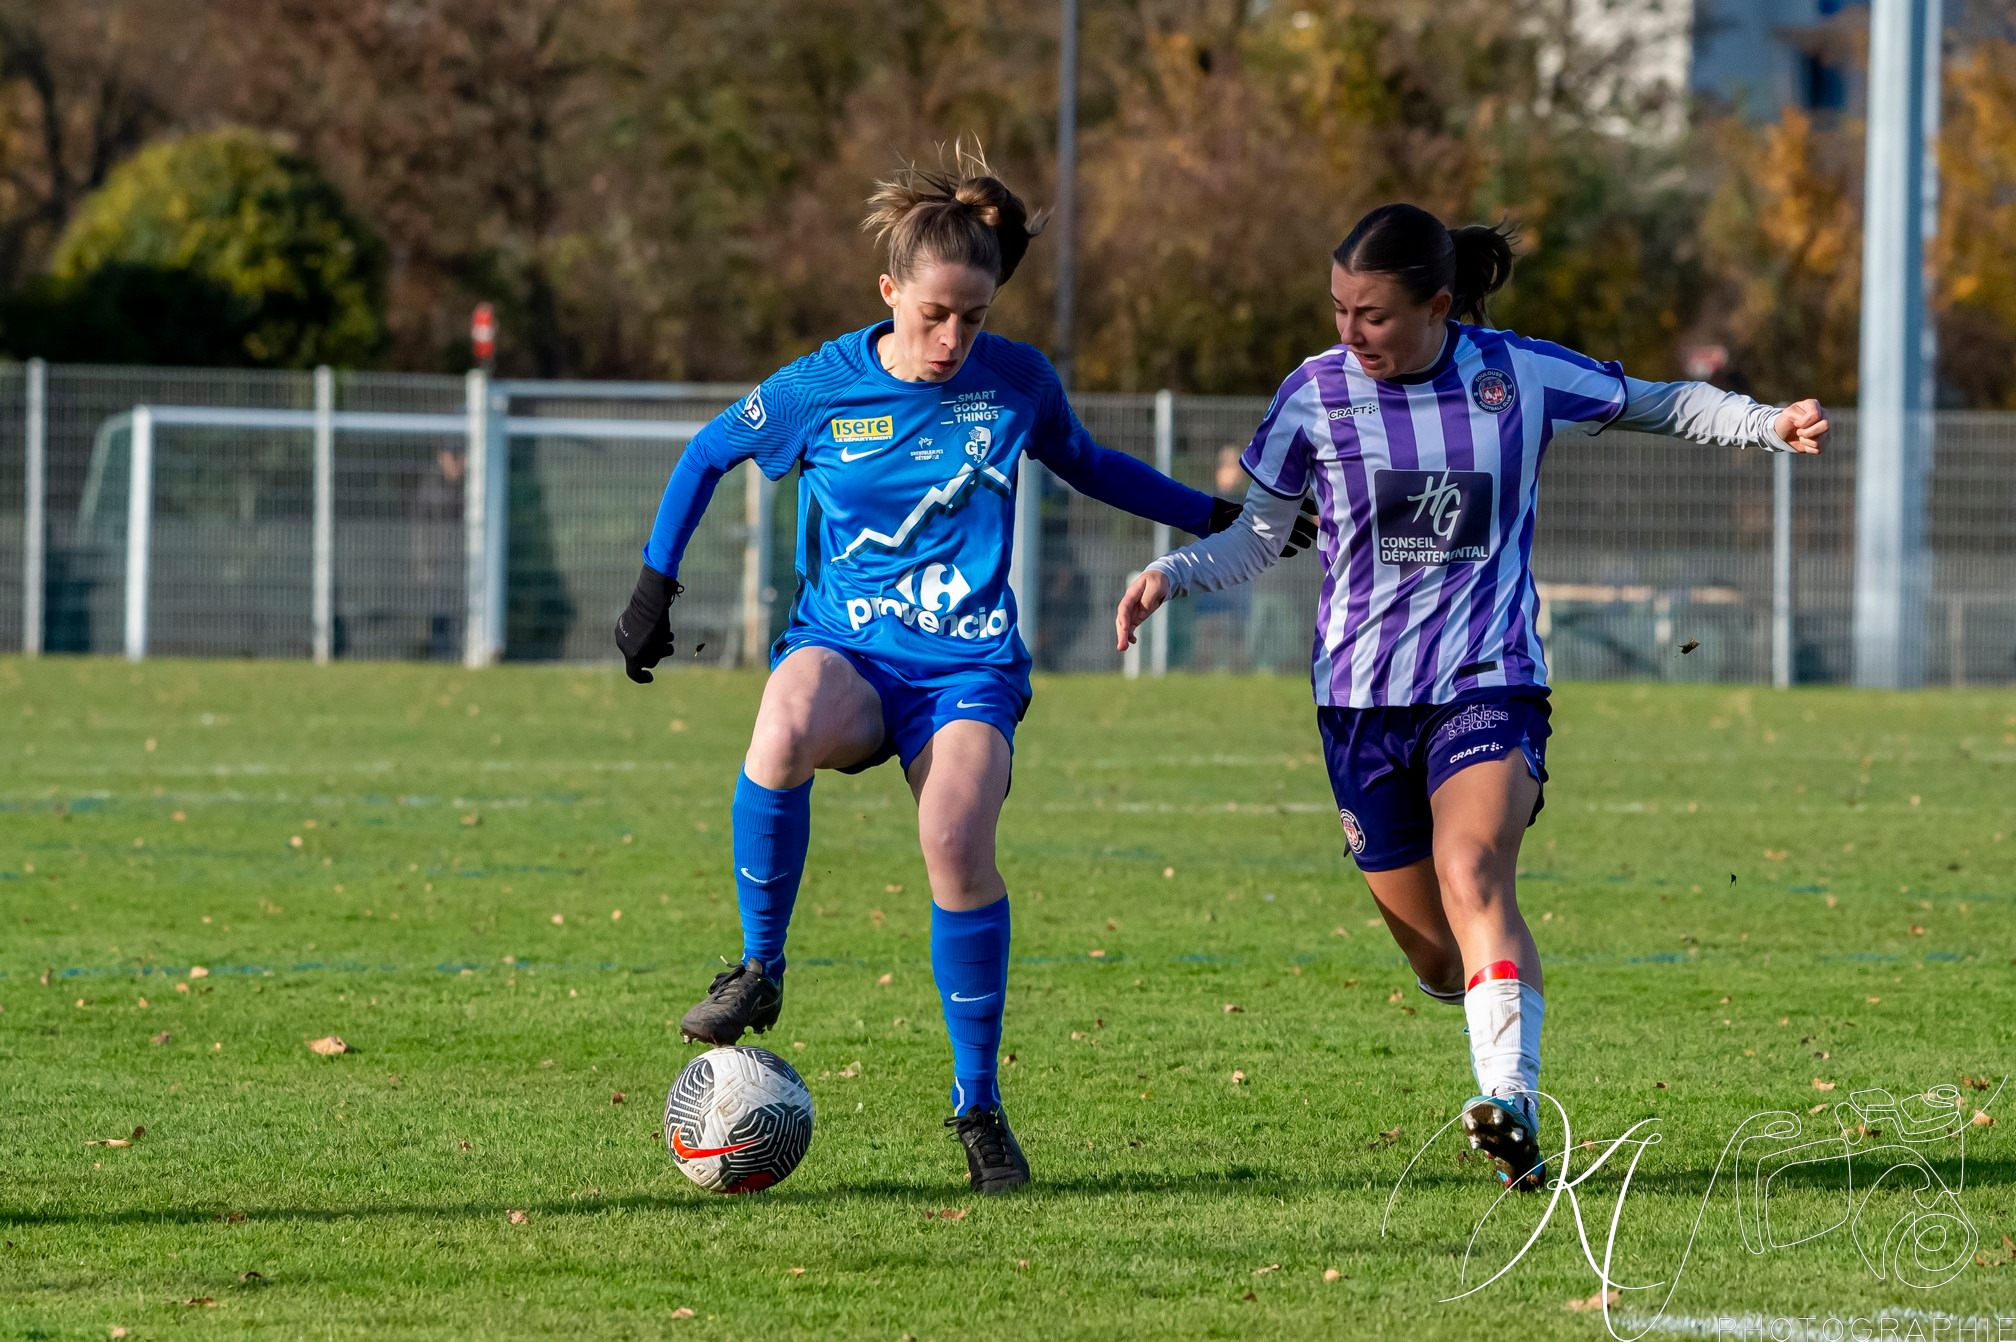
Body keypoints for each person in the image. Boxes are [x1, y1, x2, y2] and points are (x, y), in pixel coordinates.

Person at [616, 147, 1312, 1194]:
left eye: (972, 318)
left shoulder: (1016, 382)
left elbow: (1090, 463)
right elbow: (706, 453)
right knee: (784, 716)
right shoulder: (820, 386)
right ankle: (759, 966)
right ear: (889, 290)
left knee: (953, 840)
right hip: (847, 650)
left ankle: (978, 1107)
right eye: (935, 313)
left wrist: (1214, 517)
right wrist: (652, 590)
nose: (952, 338)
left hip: (967, 668)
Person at [1115, 203, 1827, 1192]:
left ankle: (1513, 1105)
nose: (1349, 333)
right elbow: (1259, 535)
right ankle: (1485, 1023)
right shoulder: (1313, 396)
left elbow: (1662, 401)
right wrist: (1172, 574)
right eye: (1338, 310)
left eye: (1372, 315)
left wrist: (1768, 423)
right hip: (1360, 709)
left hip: (1487, 683)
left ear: (1439, 305)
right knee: (1439, 963)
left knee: (1474, 864)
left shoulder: (1516, 375)